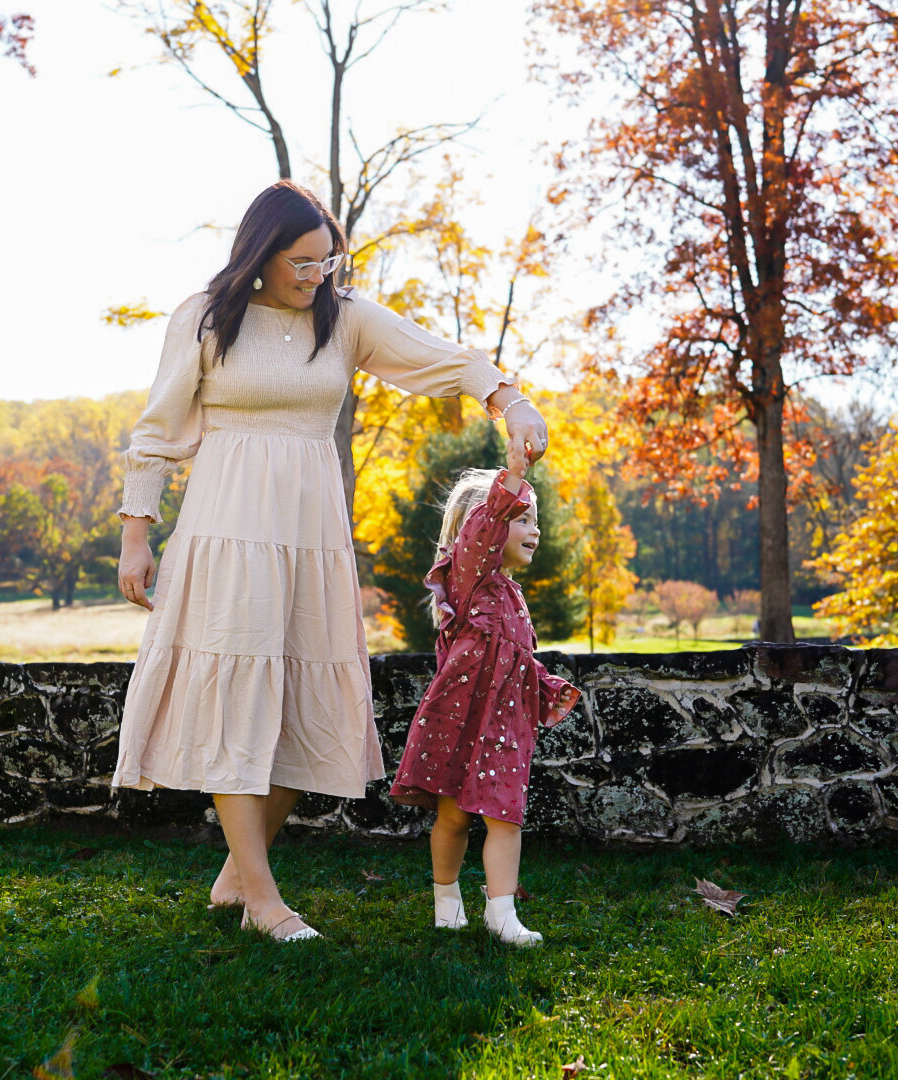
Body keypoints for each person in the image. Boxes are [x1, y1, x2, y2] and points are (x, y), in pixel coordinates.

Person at [113, 180, 550, 942]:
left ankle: (235, 880)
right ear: (261, 252)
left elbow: (442, 360)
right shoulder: (206, 318)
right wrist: (136, 533)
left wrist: (508, 400)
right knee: (233, 703)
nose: (317, 274)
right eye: (302, 261)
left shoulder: (342, 321)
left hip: (312, 534)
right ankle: (264, 900)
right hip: (227, 528)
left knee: (301, 706)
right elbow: (154, 432)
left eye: (327, 260)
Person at [387, 435, 582, 947]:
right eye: (523, 518)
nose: (534, 530)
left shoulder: (511, 593)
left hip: (503, 727)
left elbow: (512, 659)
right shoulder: (469, 576)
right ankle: (446, 901)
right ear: (484, 529)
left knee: (504, 817)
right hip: (460, 720)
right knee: (453, 817)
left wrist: (544, 683)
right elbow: (485, 526)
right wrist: (513, 473)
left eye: (535, 520)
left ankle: (502, 913)